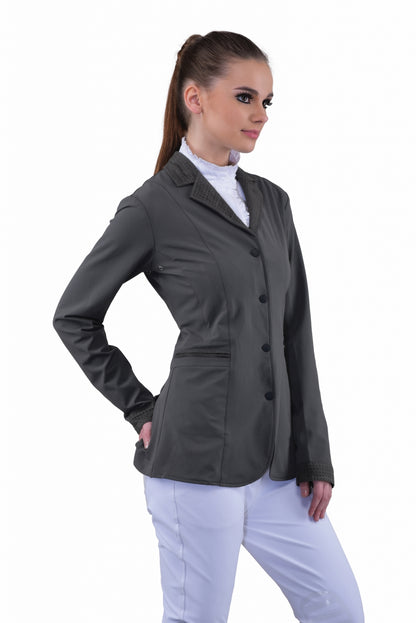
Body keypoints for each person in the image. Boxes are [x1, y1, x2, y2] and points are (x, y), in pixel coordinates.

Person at [52, 30, 365, 623]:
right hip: (194, 464)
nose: (261, 114)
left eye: (267, 101)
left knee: (341, 609)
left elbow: (296, 331)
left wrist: (315, 454)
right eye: (245, 98)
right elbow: (74, 316)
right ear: (195, 98)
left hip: (277, 467)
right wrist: (140, 408)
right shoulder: (152, 206)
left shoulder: (273, 202)